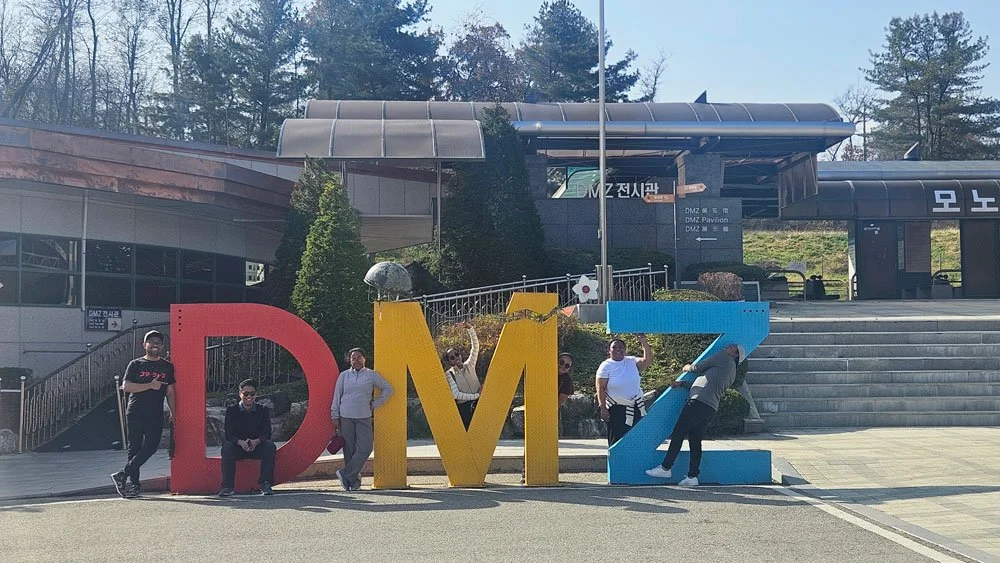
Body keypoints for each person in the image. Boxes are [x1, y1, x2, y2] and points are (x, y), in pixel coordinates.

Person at [645, 343, 745, 486]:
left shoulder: (724, 357)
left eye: (733, 347)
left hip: (698, 403)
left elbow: (697, 368)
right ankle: (692, 476)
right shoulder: (731, 371)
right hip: (710, 408)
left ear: (735, 354)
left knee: (678, 432)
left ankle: (666, 467)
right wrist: (683, 384)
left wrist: (687, 367)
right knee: (695, 441)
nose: (728, 346)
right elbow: (706, 383)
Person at [111, 330, 175, 498]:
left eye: (158, 342)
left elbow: (170, 391)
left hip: (155, 412)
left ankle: (122, 474)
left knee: (152, 446)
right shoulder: (135, 364)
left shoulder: (167, 366)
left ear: (162, 346)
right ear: (144, 345)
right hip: (136, 410)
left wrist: (173, 412)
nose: (155, 344)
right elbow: (126, 387)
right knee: (135, 448)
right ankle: (134, 486)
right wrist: (149, 385)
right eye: (151, 341)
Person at [331, 348, 393, 491]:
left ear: (364, 359)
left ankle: (345, 474)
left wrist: (374, 404)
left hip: (364, 415)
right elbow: (337, 396)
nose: (356, 360)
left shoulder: (371, 375)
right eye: (353, 358)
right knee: (350, 450)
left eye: (359, 357)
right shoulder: (344, 376)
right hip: (345, 415)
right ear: (350, 360)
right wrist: (334, 415)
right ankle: (352, 482)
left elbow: (388, 389)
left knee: (365, 448)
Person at [218, 379, 277, 497]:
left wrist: (256, 441)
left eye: (252, 394)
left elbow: (267, 432)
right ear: (240, 394)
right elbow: (229, 434)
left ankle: (265, 483)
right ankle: (227, 487)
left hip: (256, 446)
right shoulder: (231, 411)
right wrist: (240, 442)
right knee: (227, 447)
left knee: (270, 446)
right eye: (245, 394)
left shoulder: (263, 410)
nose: (249, 396)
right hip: (238, 447)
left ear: (256, 394)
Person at [596, 335, 652, 446]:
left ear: (625, 349)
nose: (618, 350)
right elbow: (600, 388)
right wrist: (602, 408)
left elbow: (647, 361)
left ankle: (633, 463)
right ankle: (616, 462)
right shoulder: (605, 366)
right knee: (616, 441)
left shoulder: (631, 361)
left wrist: (644, 343)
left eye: (621, 347)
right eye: (614, 347)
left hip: (635, 406)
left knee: (635, 440)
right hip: (616, 409)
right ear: (609, 350)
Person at [443, 322, 481, 430]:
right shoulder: (449, 374)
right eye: (452, 357)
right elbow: (456, 395)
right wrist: (476, 396)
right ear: (449, 362)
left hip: (478, 405)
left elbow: (475, 347)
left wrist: (470, 328)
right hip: (464, 409)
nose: (456, 358)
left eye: (456, 354)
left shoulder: (470, 365)